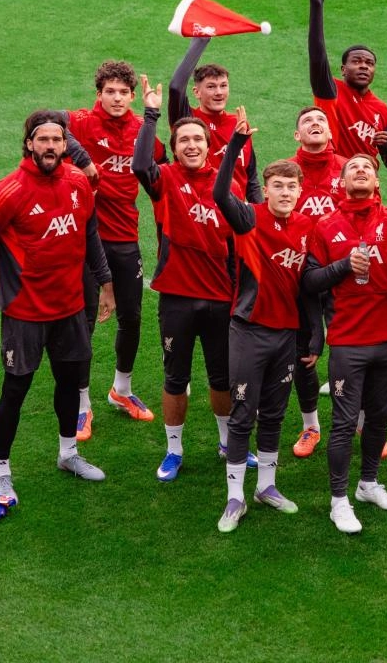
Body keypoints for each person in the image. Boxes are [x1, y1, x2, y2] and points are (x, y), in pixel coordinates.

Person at [0, 110, 115, 500]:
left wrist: (106, 283)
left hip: (70, 309)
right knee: (15, 390)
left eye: (56, 140)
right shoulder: (10, 190)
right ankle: (0, 469)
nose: (50, 146)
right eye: (42, 139)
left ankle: (68, 454)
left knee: (69, 383)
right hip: (25, 314)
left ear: (65, 145)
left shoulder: (77, 181)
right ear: (29, 144)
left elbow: (90, 232)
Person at [133, 77, 253, 482]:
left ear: (207, 145)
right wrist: (150, 114)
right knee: (175, 378)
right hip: (177, 297)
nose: (190, 145)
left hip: (221, 297)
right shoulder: (165, 178)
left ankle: (227, 443)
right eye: (183, 139)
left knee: (222, 377)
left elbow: (241, 240)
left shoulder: (228, 183)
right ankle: (174, 450)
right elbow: (139, 166)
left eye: (197, 139)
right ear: (175, 145)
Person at [302, 153, 387, 534]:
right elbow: (309, 281)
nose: (360, 170)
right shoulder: (325, 226)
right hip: (348, 340)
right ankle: (339, 500)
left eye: (367, 168)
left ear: (376, 181)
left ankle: (368, 484)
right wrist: (343, 267)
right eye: (353, 167)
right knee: (342, 423)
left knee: (380, 418)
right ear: (341, 182)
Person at [212, 110, 317, 532]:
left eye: (292, 187)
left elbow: (309, 287)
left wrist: (313, 336)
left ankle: (267, 487)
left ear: (300, 191)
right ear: (266, 189)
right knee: (243, 414)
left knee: (274, 414)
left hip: (286, 335)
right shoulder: (250, 218)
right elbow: (220, 194)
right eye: (278, 186)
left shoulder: (308, 227)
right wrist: (236, 145)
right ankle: (234, 497)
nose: (285, 192)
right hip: (249, 331)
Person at [63, 60, 164, 440]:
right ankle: (81, 404)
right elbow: (45, 121)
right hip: (85, 239)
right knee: (85, 321)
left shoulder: (141, 129)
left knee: (132, 316)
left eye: (123, 92)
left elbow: (162, 170)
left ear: (133, 96)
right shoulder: (82, 123)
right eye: (110, 92)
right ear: (99, 94)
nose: (117, 98)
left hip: (125, 236)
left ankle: (121, 389)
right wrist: (83, 158)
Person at [287, 104, 348, 459]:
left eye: (321, 120)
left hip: (342, 274)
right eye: (307, 121)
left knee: (348, 351)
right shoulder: (286, 170)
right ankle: (310, 426)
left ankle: (358, 422)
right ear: (297, 134)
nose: (315, 123)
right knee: (305, 354)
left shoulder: (348, 168)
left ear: (330, 132)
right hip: (299, 275)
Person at [305, 0, 387, 169]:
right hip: (333, 177)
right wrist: (316, 5)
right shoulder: (331, 92)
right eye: (356, 61)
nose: (364, 66)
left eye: (369, 63)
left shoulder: (381, 109)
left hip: (366, 181)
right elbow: (317, 56)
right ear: (343, 69)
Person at [168, 37, 262, 202]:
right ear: (196, 92)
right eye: (211, 87)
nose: (219, 92)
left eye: (223, 86)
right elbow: (176, 88)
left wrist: (259, 212)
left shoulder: (238, 123)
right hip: (199, 208)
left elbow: (251, 177)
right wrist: (200, 42)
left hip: (234, 211)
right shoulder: (188, 120)